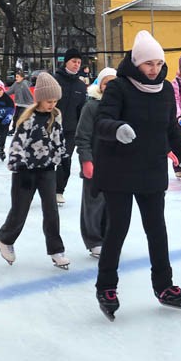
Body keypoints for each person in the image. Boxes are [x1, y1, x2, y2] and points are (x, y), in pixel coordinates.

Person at [92, 30, 181, 321]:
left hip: (150, 169)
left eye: (158, 63)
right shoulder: (119, 88)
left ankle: (163, 287)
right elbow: (102, 120)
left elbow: (171, 129)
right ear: (136, 62)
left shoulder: (164, 90)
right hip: (119, 171)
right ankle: (106, 287)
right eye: (148, 63)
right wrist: (116, 129)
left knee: (157, 230)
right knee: (118, 229)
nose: (154, 69)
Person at [0, 72, 70, 269]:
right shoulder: (28, 119)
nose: (52, 104)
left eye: (55, 100)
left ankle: (56, 249)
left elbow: (58, 140)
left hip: (47, 170)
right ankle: (5, 239)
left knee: (51, 211)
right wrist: (19, 166)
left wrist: (63, 156)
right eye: (48, 101)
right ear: (39, 99)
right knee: (20, 210)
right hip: (25, 172)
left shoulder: (56, 117)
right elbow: (17, 145)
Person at [75, 67, 118, 258]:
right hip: (95, 162)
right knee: (93, 204)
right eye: (106, 82)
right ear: (100, 85)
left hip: (116, 164)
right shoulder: (91, 106)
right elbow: (82, 136)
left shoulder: (120, 106)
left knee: (113, 204)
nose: (110, 86)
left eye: (113, 82)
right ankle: (93, 241)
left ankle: (108, 237)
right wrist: (86, 160)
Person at [54, 48, 87, 205]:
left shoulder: (81, 86)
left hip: (71, 130)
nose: (77, 64)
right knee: (46, 160)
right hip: (51, 128)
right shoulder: (55, 80)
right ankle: (41, 187)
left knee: (65, 160)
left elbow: (82, 110)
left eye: (79, 62)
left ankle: (58, 190)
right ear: (66, 62)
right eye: (74, 61)